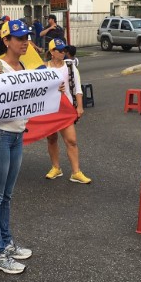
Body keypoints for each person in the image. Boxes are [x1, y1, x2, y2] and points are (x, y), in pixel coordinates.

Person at [0, 20, 34, 275]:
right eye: (19, 38)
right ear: (7, 41)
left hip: (16, 135)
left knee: (7, 195)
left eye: (26, 37)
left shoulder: (22, 65)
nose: (24, 42)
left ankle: (6, 241)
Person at [44, 38, 91, 184]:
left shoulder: (70, 67)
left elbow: (77, 88)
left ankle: (76, 172)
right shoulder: (44, 68)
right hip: (50, 109)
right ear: (52, 52)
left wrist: (80, 106)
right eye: (60, 50)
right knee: (52, 139)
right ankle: (55, 167)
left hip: (66, 109)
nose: (63, 52)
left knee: (71, 140)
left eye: (65, 50)